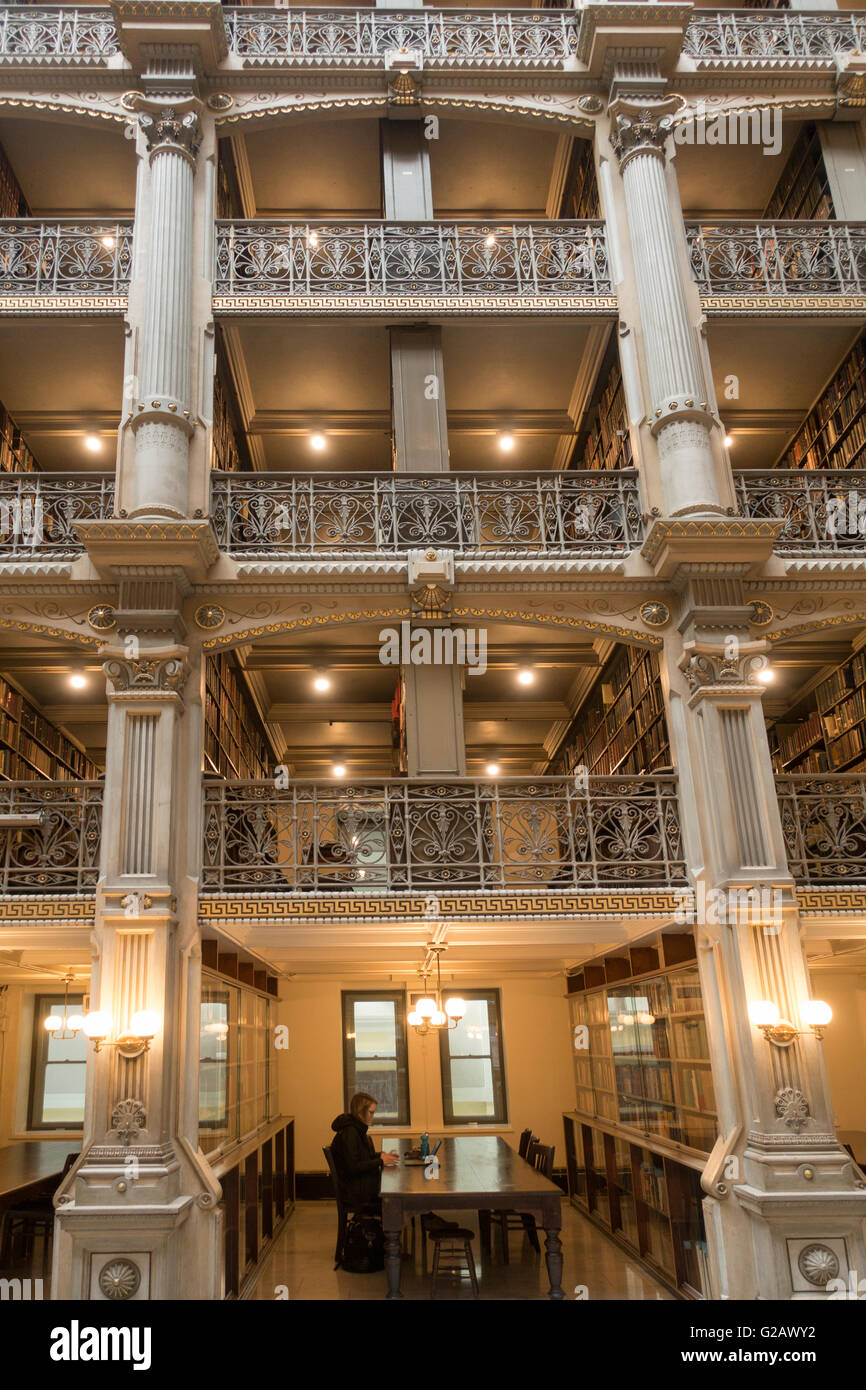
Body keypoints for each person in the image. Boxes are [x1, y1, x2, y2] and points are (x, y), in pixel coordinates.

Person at [330, 1091, 399, 1213]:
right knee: (395, 1193)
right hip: (356, 1192)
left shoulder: (356, 1128)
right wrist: (380, 1161)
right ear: (360, 1113)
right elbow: (353, 1167)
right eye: (371, 1112)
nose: (373, 1116)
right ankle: (393, 1226)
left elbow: (363, 1156)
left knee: (393, 1186)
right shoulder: (350, 1133)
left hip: (359, 1184)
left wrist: (382, 1155)